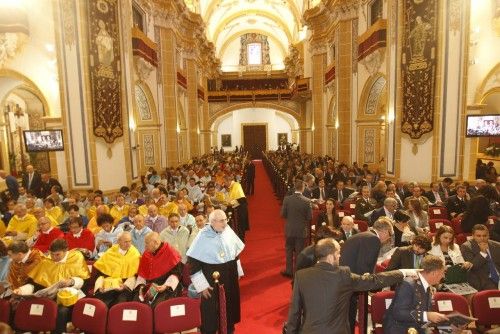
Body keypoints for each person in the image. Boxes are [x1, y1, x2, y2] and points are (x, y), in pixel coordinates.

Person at [286, 238, 414, 334]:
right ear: (331, 256)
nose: (340, 256)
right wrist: (402, 272)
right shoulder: (343, 274)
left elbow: (294, 312)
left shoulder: (301, 275)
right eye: (338, 253)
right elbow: (373, 280)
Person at [187, 209, 244, 334]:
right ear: (212, 222)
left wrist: (238, 271)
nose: (225, 223)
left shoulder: (227, 230)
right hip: (210, 280)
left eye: (225, 220)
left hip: (229, 276)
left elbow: (235, 252)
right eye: (222, 221)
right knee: (211, 315)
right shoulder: (202, 236)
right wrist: (201, 286)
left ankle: (229, 329)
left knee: (230, 307)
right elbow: (193, 263)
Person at [340, 217, 394, 333]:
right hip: (351, 281)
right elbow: (364, 266)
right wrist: (367, 284)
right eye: (389, 234)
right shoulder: (373, 239)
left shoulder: (366, 235)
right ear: (384, 231)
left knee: (347, 313)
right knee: (349, 313)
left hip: (345, 277)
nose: (389, 238)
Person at [383, 255, 449, 334]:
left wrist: (446, 326)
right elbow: (399, 313)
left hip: (418, 327)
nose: (443, 276)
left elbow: (423, 314)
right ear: (434, 273)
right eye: (442, 273)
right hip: (400, 328)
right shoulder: (408, 284)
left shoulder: (426, 285)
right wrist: (427, 316)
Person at [132, 232, 183, 308]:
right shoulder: (147, 253)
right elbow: (142, 273)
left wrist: (165, 286)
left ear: (155, 242)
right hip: (150, 285)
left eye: (147, 243)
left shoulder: (170, 252)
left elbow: (176, 273)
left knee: (158, 306)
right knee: (136, 303)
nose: (145, 246)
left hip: (166, 286)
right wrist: (141, 286)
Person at [93, 231, 140, 307]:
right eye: (126, 242)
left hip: (124, 286)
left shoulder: (135, 253)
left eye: (130, 241)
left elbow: (135, 275)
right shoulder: (110, 252)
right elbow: (100, 273)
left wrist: (125, 286)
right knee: (100, 304)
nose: (128, 244)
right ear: (119, 241)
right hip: (108, 285)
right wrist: (99, 286)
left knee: (119, 304)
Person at [280, 179, 312, 278]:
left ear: (294, 187)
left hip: (289, 229)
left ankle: (289, 270)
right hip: (301, 230)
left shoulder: (287, 199)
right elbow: (309, 217)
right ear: (303, 188)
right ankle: (298, 272)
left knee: (289, 249)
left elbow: (282, 214)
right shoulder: (307, 201)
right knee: (299, 251)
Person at [460, 224, 500, 291]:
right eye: (478, 236)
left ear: (488, 235)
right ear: (473, 236)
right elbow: (472, 267)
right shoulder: (466, 247)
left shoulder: (497, 246)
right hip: (483, 279)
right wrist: (483, 252)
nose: (482, 238)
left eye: (485, 236)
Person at [224, 174, 249, 241]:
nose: (225, 184)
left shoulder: (236, 185)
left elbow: (241, 199)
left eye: (225, 182)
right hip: (236, 208)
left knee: (240, 225)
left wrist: (230, 203)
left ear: (229, 181)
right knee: (238, 225)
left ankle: (241, 240)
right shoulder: (232, 186)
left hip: (240, 209)